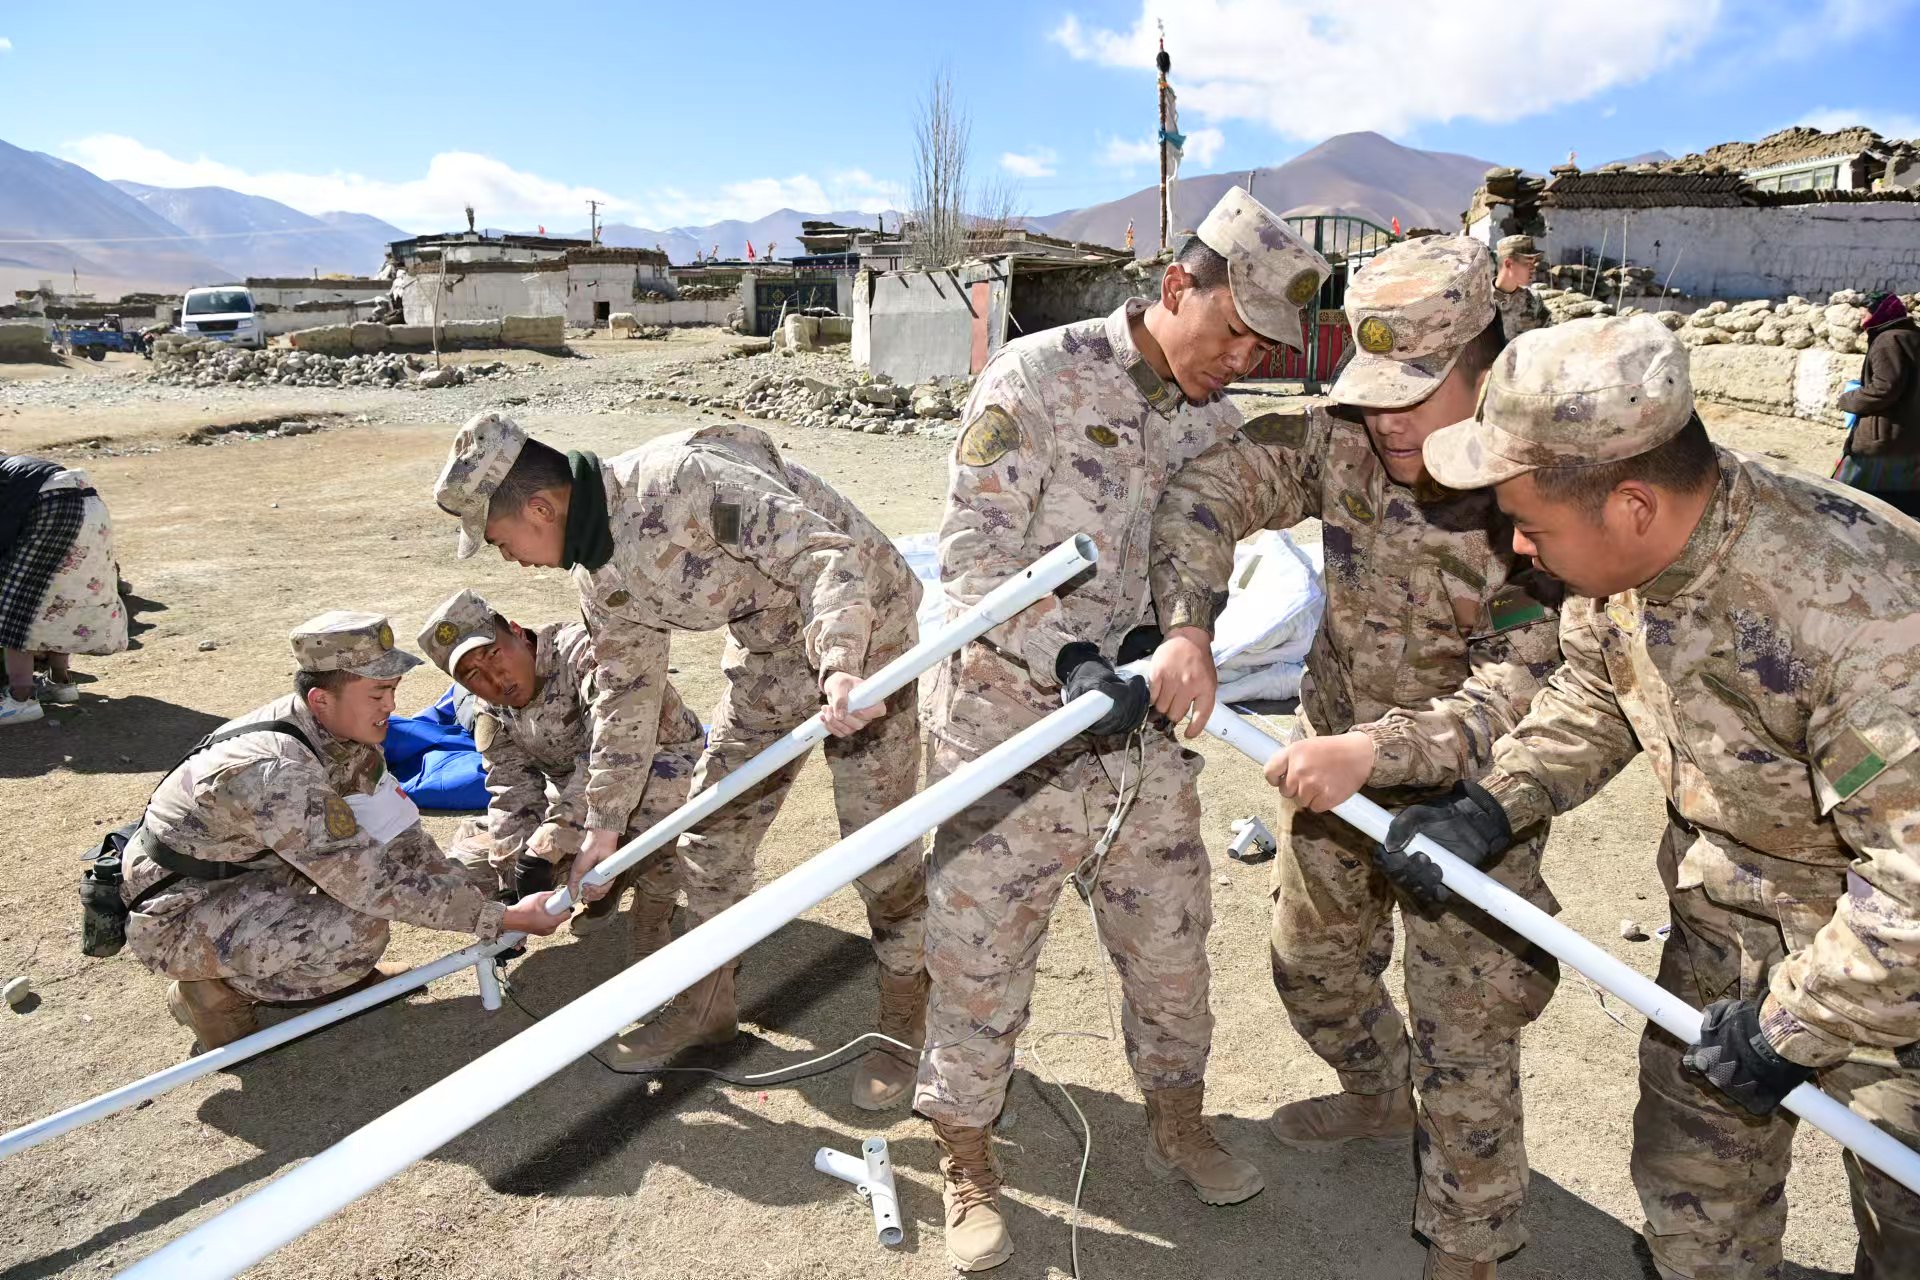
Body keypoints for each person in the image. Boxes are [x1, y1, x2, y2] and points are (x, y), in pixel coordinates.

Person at [1394, 313, 1920, 1279]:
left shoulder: (1866, 609)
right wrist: (1497, 801)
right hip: (1725, 934)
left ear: (1631, 503)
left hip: (1894, 981)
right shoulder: (1619, 561)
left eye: (1530, 523)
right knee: (1693, 1200)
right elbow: (1599, 689)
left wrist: (1791, 1026)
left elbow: (1915, 884)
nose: (1516, 546)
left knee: (1906, 1222)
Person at [913, 187, 1329, 1272]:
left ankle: (1179, 1119)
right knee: (980, 954)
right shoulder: (1037, 379)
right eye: (1232, 329)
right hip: (1009, 729)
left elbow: (1205, 556)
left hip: (1137, 736)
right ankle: (966, 1155)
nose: (1243, 358)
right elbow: (971, 566)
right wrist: (1071, 658)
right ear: (1174, 285)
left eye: (1265, 347)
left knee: (1171, 938)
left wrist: (1163, 632)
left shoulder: (1212, 421)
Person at [1146, 234, 1564, 1280]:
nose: (1392, 421)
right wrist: (1190, 625)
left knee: (1465, 1032)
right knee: (1311, 968)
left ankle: (1466, 1249)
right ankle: (1379, 1095)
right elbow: (1206, 489)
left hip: (1470, 799)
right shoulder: (1345, 438)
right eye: (1375, 392)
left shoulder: (1543, 486)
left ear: (1486, 364)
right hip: (1331, 774)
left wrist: (1378, 749)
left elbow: (1527, 686)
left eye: (1419, 394)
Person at [433, 414, 926, 1110]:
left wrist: (843, 666)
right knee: (710, 833)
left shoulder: (685, 483)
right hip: (769, 657)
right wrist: (602, 828)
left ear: (540, 509)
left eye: (499, 538)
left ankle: (905, 1020)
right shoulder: (601, 582)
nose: (506, 557)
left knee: (879, 847)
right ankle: (708, 1005)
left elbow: (826, 558)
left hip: (868, 637)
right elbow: (625, 702)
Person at [123, 611, 564, 1050]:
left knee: (422, 883)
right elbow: (370, 884)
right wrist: (499, 919)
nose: (390, 706)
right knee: (355, 934)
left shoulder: (345, 732)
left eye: (392, 690)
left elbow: (400, 839)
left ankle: (339, 976)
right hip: (180, 911)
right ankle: (215, 993)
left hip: (252, 872)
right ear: (320, 700)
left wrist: (478, 895)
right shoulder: (274, 774)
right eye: (377, 693)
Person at [416, 589, 705, 959]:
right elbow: (511, 790)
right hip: (574, 797)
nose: (495, 677)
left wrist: (551, 843)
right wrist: (512, 896)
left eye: (493, 653)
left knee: (658, 798)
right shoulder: (489, 708)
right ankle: (602, 876)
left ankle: (650, 908)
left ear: (518, 632)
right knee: (473, 872)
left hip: (659, 771)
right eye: (474, 674)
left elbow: (614, 758)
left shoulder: (589, 656)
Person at [0, 453, 127, 725]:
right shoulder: (16, 467)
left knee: (14, 601)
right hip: (89, 504)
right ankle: (60, 682)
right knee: (63, 596)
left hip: (52, 508)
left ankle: (20, 697)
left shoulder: (9, 476)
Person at [1835, 291, 1920, 519]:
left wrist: (1848, 400)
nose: (1861, 317)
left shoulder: (1887, 340)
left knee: (1844, 501)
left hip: (1881, 439)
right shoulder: (1912, 337)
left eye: (1864, 311)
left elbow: (1885, 388)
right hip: (1909, 437)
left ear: (1877, 313)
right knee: (1904, 507)